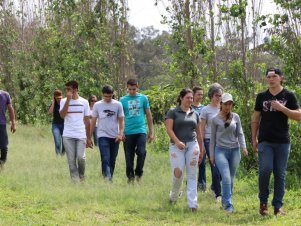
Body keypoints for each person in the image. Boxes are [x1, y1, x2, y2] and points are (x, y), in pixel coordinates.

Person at [251, 68, 301, 216]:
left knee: (280, 174)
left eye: (274, 76)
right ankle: (263, 203)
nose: (271, 79)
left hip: (282, 141)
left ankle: (278, 206)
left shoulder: (289, 95)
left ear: (281, 78)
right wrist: (254, 139)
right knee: (265, 170)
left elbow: (298, 116)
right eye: (268, 77)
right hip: (265, 140)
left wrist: (282, 108)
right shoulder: (261, 96)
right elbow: (255, 119)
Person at [165, 88, 204, 212]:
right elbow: (169, 129)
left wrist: (202, 150)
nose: (190, 100)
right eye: (188, 97)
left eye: (191, 98)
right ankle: (174, 196)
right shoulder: (173, 112)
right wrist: (177, 141)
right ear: (181, 98)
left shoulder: (195, 114)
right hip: (176, 146)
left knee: (192, 174)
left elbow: (199, 133)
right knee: (178, 173)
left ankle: (193, 204)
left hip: (192, 145)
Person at [210, 93, 248, 213]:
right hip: (220, 150)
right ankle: (228, 206)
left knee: (231, 179)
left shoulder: (235, 117)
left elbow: (240, 133)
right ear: (221, 104)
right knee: (225, 178)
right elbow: (212, 139)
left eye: (230, 104)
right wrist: (211, 154)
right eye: (225, 104)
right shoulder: (215, 119)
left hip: (235, 150)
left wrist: (244, 147)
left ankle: (226, 200)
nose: (227, 106)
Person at [120, 78, 154, 183]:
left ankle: (139, 173)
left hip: (141, 130)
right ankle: (130, 177)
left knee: (142, 152)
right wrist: (121, 132)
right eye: (130, 89)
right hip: (128, 132)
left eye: (134, 89)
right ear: (127, 88)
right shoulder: (122, 100)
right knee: (129, 156)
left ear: (137, 87)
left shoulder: (143, 98)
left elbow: (148, 114)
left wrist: (151, 131)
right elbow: (120, 118)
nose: (132, 91)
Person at [59, 80, 92, 182]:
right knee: (71, 160)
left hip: (81, 134)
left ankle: (81, 176)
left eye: (70, 89)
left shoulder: (84, 102)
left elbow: (87, 120)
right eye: (66, 89)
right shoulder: (63, 101)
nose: (67, 91)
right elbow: (62, 115)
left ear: (76, 89)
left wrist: (89, 137)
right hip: (68, 135)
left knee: (81, 157)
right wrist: (68, 100)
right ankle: (75, 181)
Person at [90, 85, 124, 182]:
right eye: (106, 96)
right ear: (102, 95)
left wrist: (120, 134)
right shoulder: (97, 105)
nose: (108, 98)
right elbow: (93, 121)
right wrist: (89, 137)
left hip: (115, 136)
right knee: (105, 158)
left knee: (112, 160)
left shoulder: (118, 105)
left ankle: (108, 177)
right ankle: (108, 180)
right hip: (102, 135)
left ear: (112, 95)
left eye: (110, 96)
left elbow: (121, 120)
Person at [199, 83, 223, 200]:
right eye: (216, 95)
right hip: (209, 140)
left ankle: (214, 186)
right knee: (215, 165)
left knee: (222, 167)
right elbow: (201, 128)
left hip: (223, 140)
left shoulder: (224, 108)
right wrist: (202, 144)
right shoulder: (205, 110)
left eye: (220, 95)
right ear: (211, 96)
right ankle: (218, 194)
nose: (218, 98)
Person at [191, 86, 205, 192]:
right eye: (198, 94)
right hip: (190, 138)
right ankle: (191, 183)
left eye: (201, 94)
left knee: (202, 162)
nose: (200, 96)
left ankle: (202, 184)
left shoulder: (204, 108)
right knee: (191, 163)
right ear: (193, 94)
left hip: (201, 137)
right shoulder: (189, 107)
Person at [0, 86, 16, 167]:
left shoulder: (5, 94)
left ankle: (1, 163)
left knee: (3, 147)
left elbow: (10, 109)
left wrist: (13, 123)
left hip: (1, 124)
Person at [48, 89, 65, 156]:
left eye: (60, 98)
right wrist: (53, 102)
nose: (59, 99)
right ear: (55, 97)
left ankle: (63, 154)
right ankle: (57, 155)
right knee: (57, 141)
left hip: (64, 124)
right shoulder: (53, 104)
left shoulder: (64, 103)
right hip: (56, 125)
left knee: (65, 142)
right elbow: (50, 112)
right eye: (58, 98)